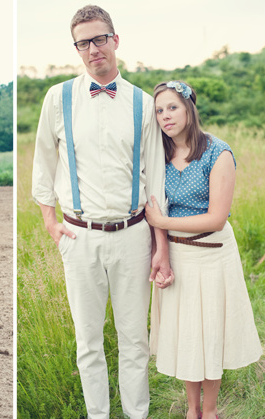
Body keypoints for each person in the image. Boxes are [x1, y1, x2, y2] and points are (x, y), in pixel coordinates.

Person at [31, 5, 173, 418]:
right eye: (83, 43)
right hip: (79, 235)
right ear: (76, 49)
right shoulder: (57, 98)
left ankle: (137, 414)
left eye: (99, 39)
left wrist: (159, 245)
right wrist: (50, 223)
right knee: (88, 340)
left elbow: (155, 181)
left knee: (135, 339)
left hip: (133, 234)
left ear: (115, 40)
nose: (93, 49)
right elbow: (43, 163)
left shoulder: (144, 104)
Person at [146, 80, 262, 419]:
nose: (165, 116)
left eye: (172, 107)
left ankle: (209, 411)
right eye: (158, 111)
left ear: (188, 109)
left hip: (212, 253)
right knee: (187, 334)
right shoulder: (159, 156)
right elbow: (154, 206)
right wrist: (162, 252)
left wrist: (163, 223)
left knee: (210, 331)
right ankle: (191, 409)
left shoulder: (217, 151)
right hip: (178, 255)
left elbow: (216, 217)